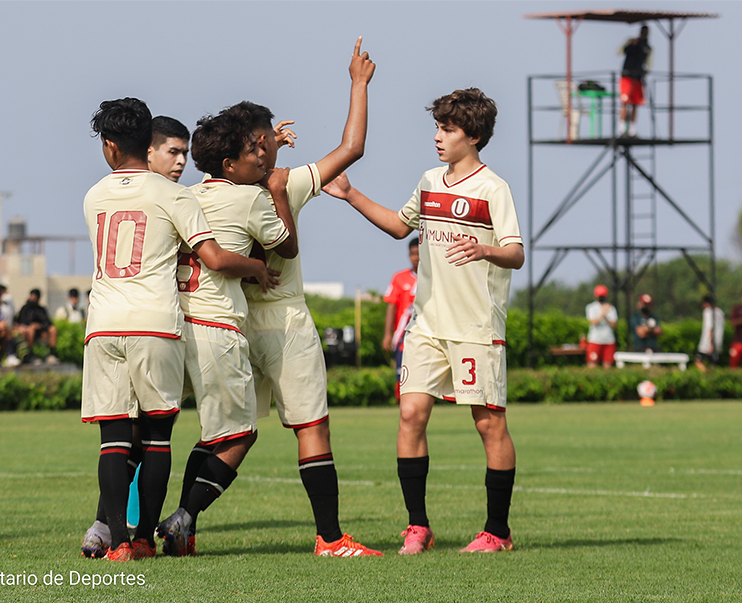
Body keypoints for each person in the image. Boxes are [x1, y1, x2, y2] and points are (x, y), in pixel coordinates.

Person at [323, 87, 524, 555]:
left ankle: (497, 532)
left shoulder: (493, 188)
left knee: (488, 425)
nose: (438, 136)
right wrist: (350, 194)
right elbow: (399, 225)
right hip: (427, 326)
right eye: (437, 127)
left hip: (477, 327)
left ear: (472, 136)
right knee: (411, 414)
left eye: (447, 129)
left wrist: (485, 249)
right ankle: (418, 527)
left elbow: (515, 252)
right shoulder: (431, 180)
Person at [80, 97, 275, 562]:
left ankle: (115, 540)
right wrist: (254, 266)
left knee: (114, 441)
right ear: (147, 143)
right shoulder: (173, 195)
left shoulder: (93, 195)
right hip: (155, 323)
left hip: (103, 324)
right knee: (156, 439)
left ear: (109, 147)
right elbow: (210, 256)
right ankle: (144, 538)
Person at [220, 37, 381, 557]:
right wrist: (357, 84)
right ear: (260, 145)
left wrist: (265, 151)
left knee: (226, 435)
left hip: (231, 321)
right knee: (311, 426)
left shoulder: (207, 191)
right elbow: (351, 147)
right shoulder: (283, 185)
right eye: (265, 137)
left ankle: (182, 522)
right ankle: (330, 538)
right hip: (285, 322)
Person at [157, 110, 297, 558]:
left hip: (174, 325)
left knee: (171, 432)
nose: (260, 155)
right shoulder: (248, 198)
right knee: (240, 434)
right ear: (229, 165)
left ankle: (145, 530)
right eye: (251, 150)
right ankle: (184, 516)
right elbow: (286, 246)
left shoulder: (183, 195)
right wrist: (275, 191)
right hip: (217, 325)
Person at [383, 237, 419, 399]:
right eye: (413, 254)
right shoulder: (400, 278)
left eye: (419, 254)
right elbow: (391, 306)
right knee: (401, 376)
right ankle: (403, 409)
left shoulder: (434, 278)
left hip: (426, 334)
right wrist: (388, 334)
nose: (416, 258)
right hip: (403, 337)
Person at [618, 25, 651, 137]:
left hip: (638, 78)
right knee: (625, 102)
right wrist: (632, 43)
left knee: (636, 103)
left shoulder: (647, 47)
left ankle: (632, 131)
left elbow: (647, 62)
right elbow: (622, 51)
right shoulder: (632, 42)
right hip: (627, 76)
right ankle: (622, 129)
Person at [14, 289, 59, 365]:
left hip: (41, 331)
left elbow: (47, 322)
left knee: (53, 329)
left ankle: (52, 354)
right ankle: (30, 354)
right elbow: (20, 322)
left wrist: (39, 326)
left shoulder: (41, 309)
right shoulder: (25, 309)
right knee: (31, 329)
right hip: (28, 331)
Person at [148, 116, 190, 183]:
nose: (182, 161)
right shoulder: (130, 190)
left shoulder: (183, 192)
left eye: (184, 153)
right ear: (149, 153)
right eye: (173, 152)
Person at [585, 284, 618, 368]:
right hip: (595, 340)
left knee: (608, 365)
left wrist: (606, 314)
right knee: (592, 364)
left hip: (609, 340)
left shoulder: (611, 308)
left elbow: (614, 324)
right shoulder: (591, 307)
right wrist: (603, 313)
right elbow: (593, 322)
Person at [695, 295, 725, 372]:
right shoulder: (720, 312)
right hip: (718, 342)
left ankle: (707, 375)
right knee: (712, 364)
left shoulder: (708, 312)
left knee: (698, 362)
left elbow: (710, 328)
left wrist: (711, 344)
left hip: (708, 343)